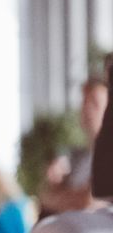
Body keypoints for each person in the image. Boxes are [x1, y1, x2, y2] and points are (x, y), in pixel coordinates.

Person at [41, 78, 107, 218]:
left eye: (94, 103)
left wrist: (60, 196)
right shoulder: (76, 157)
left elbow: (88, 202)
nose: (87, 108)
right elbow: (45, 196)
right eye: (84, 101)